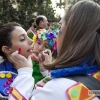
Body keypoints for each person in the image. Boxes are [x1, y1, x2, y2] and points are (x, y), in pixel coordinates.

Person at [9, 0, 100, 100]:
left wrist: (24, 73)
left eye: (60, 27)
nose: (31, 42)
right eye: (22, 39)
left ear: (73, 35)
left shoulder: (62, 89)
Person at [0, 22, 34, 99]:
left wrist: (45, 71)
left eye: (28, 36)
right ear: (7, 49)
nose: (31, 40)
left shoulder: (37, 63)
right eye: (22, 39)